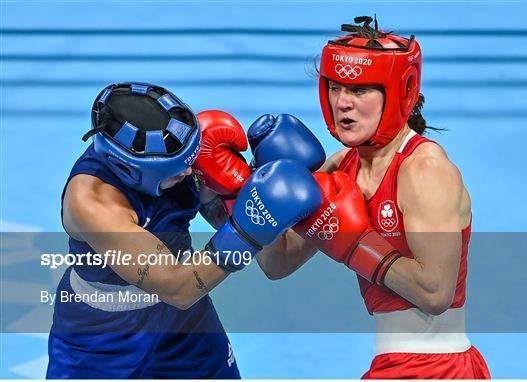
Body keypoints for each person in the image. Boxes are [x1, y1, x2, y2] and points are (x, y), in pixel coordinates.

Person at [254, 16, 492, 379]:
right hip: (395, 364)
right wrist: (242, 196)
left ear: (400, 92)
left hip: (439, 367)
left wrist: (354, 244)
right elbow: (278, 263)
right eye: (335, 87)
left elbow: (435, 292)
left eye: (360, 90)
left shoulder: (424, 170)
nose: (343, 103)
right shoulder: (340, 169)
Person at [47, 82, 323, 378]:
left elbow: (276, 263)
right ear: (130, 169)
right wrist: (245, 232)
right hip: (102, 335)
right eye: (178, 168)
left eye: (190, 160)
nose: (190, 171)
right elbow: (178, 289)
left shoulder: (185, 155)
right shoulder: (92, 202)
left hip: (187, 326)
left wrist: (249, 192)